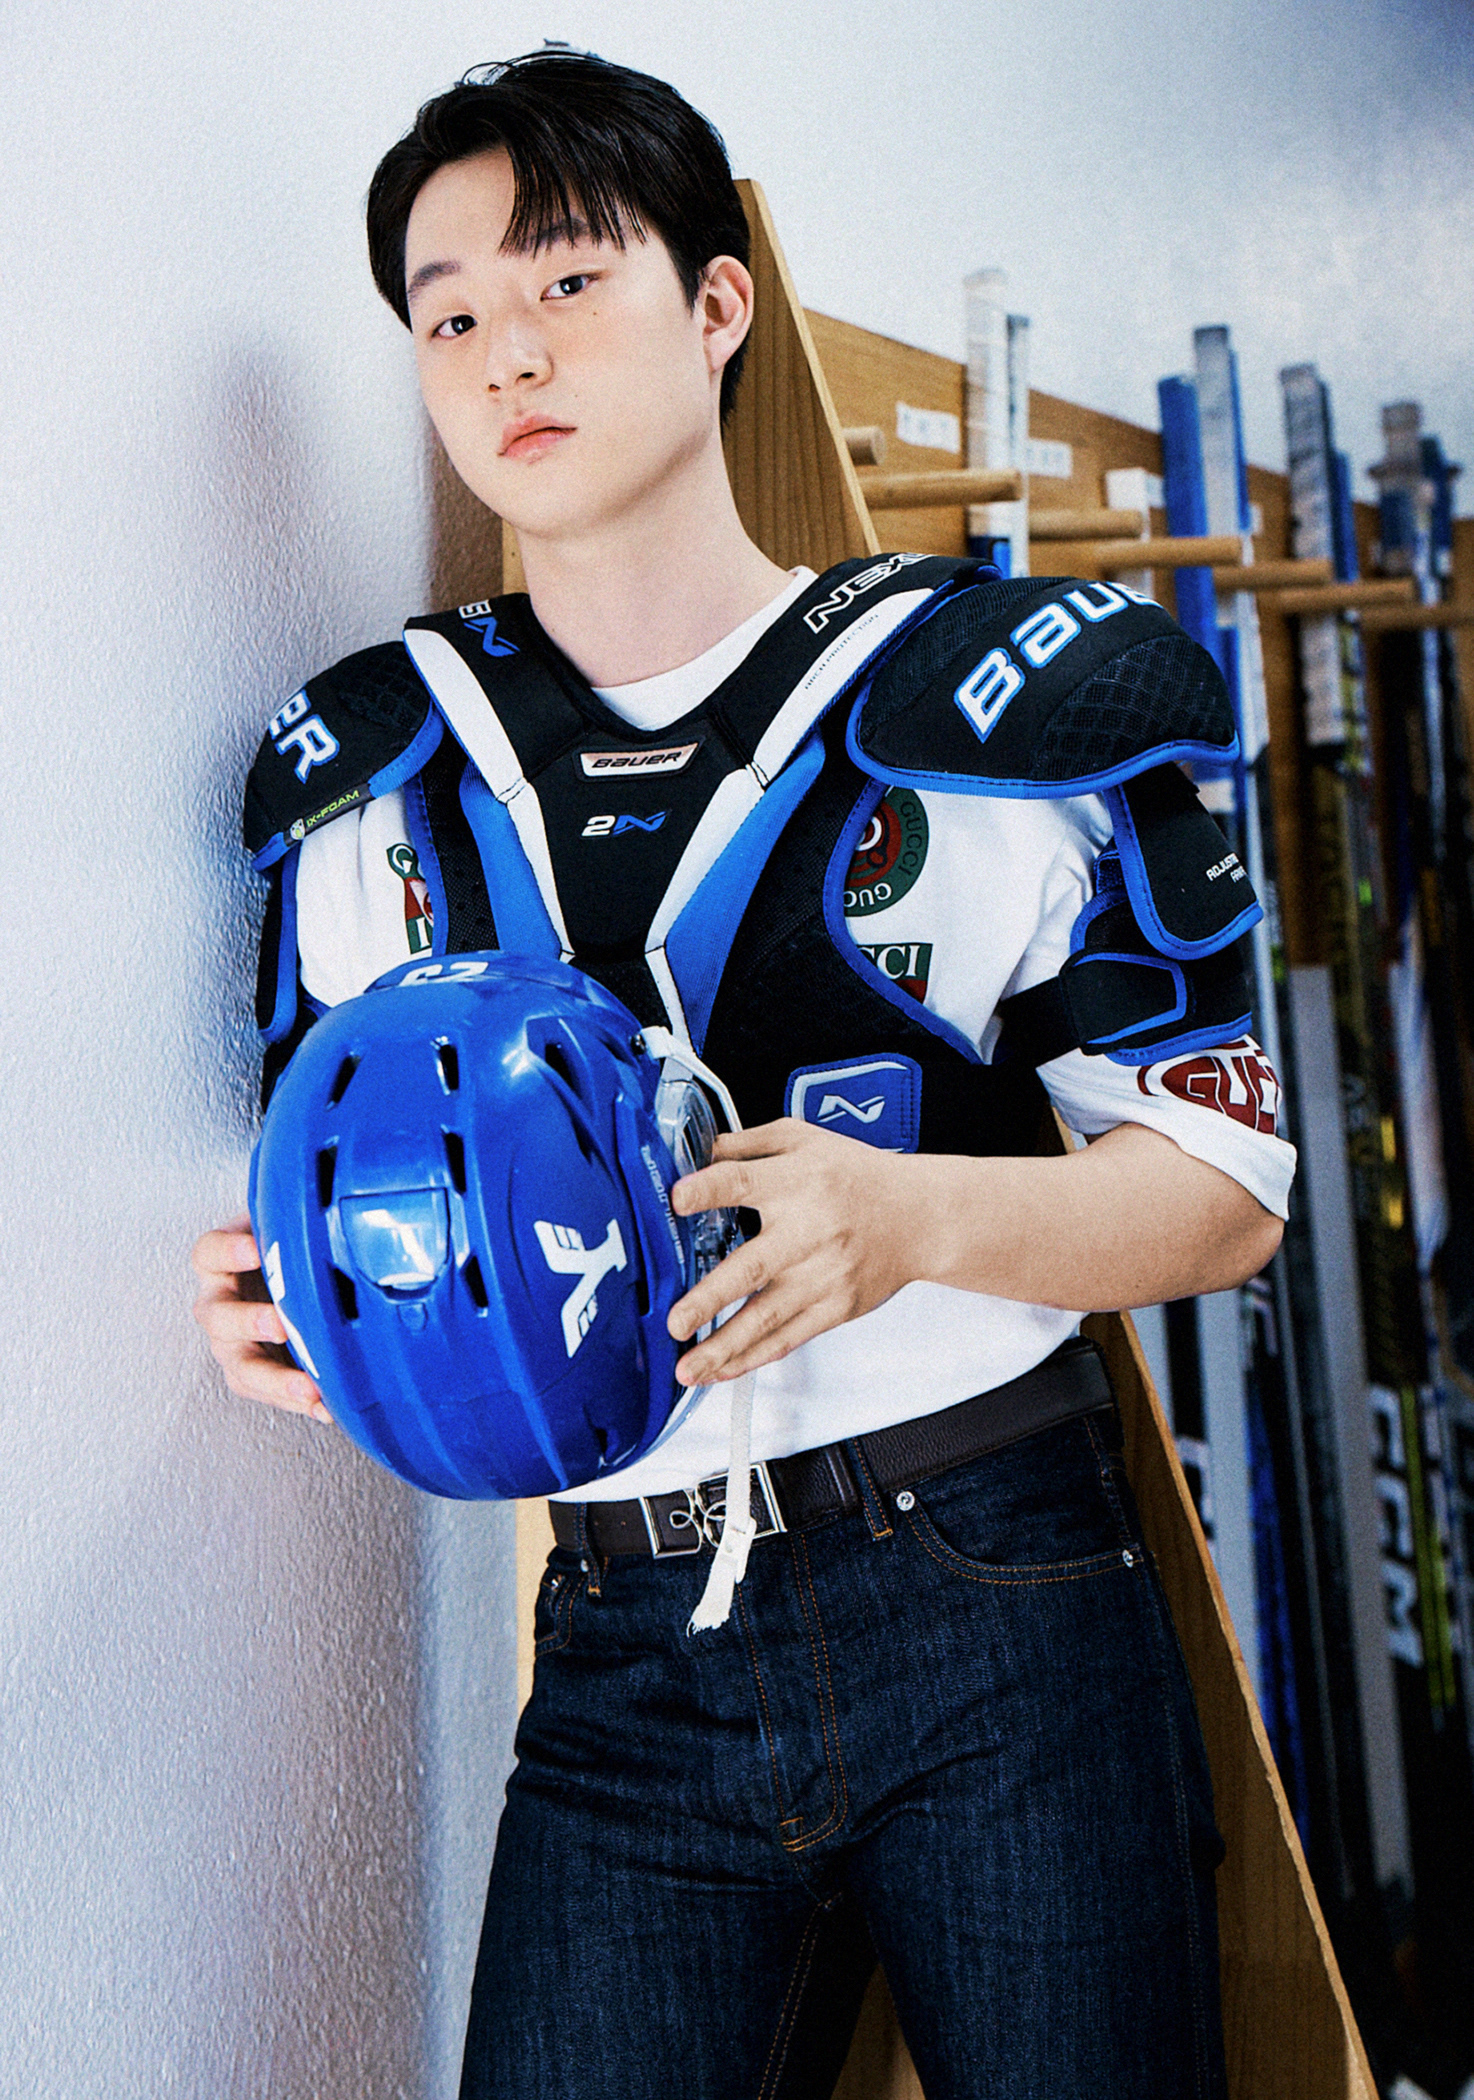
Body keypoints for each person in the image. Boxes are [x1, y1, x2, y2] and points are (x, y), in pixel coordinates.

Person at [193, 49, 1293, 2100]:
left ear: (715, 303)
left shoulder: (995, 700)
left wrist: (913, 1218)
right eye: (449, 316)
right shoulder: (361, 782)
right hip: (623, 1637)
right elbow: (353, 1191)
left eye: (565, 282)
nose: (508, 355)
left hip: (995, 1591)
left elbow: (1225, 1196)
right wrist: (307, 1313)